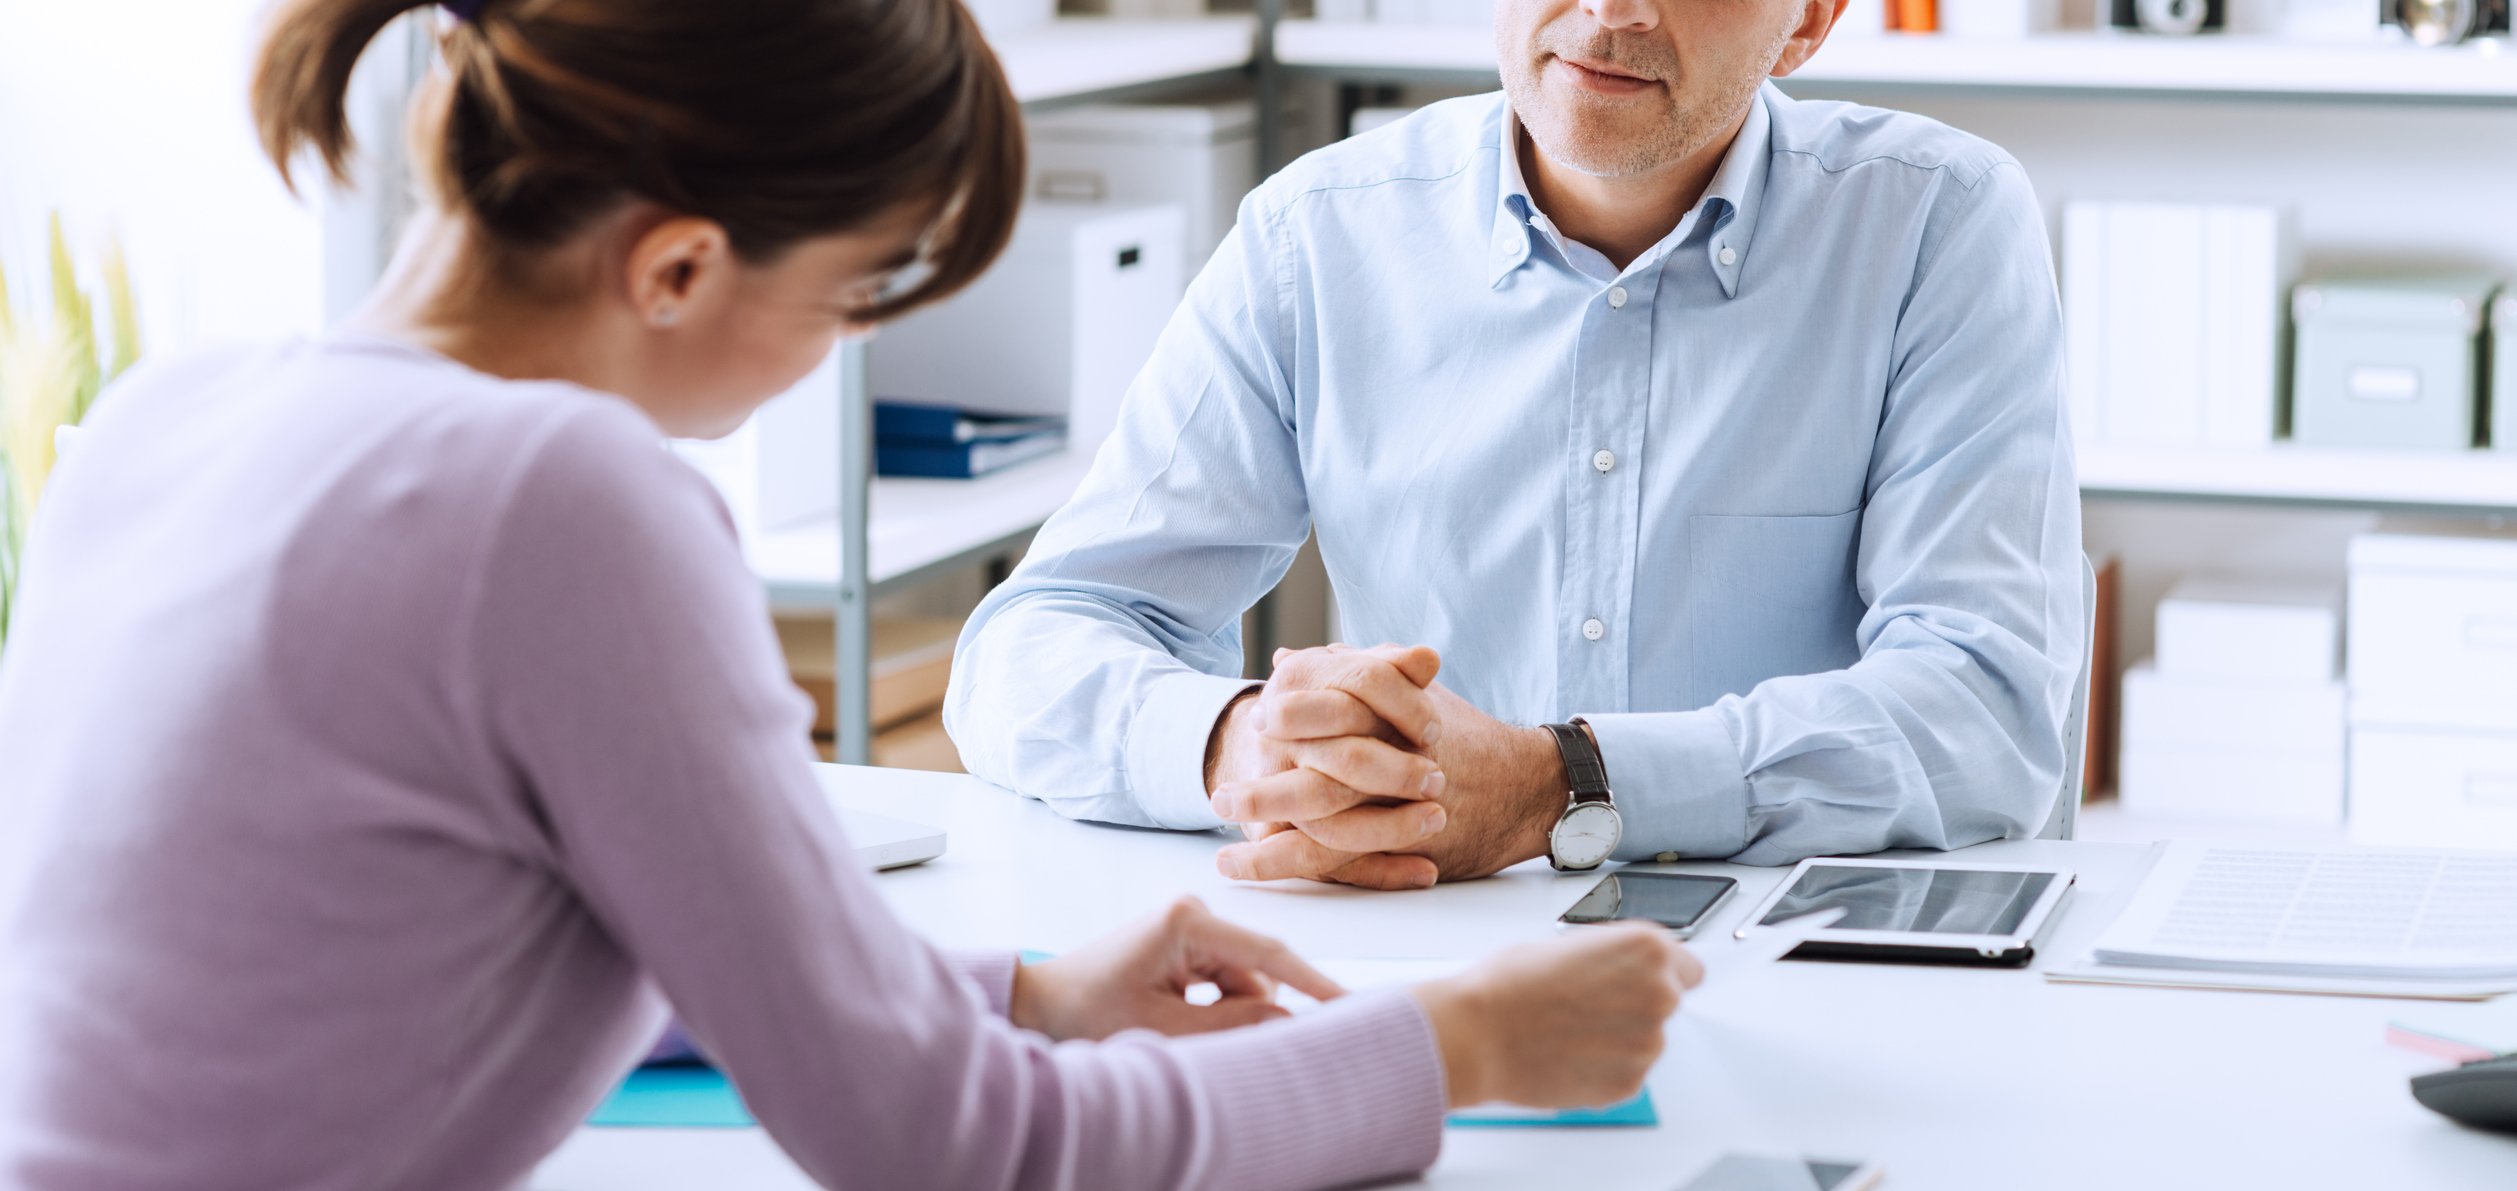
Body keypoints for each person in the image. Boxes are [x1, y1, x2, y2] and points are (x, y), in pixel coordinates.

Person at [0, 2, 1705, 1188]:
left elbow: (382, 966)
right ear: (674, 265)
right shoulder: (569, 502)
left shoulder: (175, 414)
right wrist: (1458, 1045)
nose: (861, 339)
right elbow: (964, 1152)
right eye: (859, 283)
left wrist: (1016, 994)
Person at [947, 0, 2086, 890]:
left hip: (1793, 947)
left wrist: (1559, 787)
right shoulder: (1319, 233)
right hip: (1417, 936)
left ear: (1808, 24)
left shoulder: (1938, 224)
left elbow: (1984, 710)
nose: (1613, 14)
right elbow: (1035, 641)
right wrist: (1239, 746)